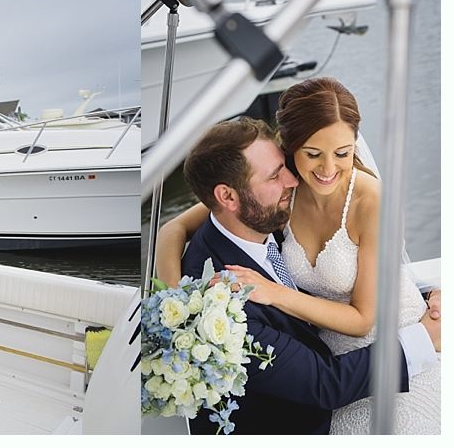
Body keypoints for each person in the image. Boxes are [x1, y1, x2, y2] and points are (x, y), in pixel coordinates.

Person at [159, 115, 441, 434]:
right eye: (274, 176)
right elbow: (325, 384)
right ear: (227, 197)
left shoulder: (261, 218)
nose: (293, 183)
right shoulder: (221, 307)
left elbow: (338, 273)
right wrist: (423, 339)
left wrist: (424, 297)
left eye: (285, 168)